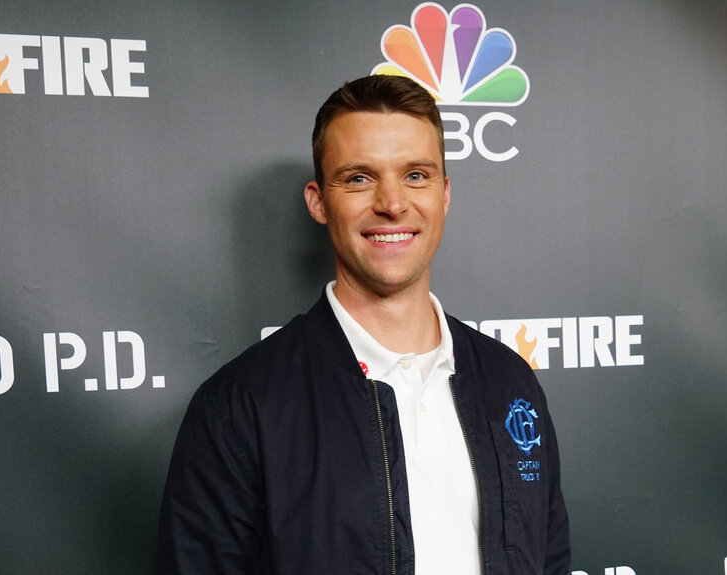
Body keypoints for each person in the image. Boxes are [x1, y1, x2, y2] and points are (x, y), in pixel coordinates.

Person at [157, 75, 570, 574]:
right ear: (318, 201)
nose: (392, 203)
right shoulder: (240, 406)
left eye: (416, 175)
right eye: (359, 178)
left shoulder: (509, 383)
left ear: (444, 193)